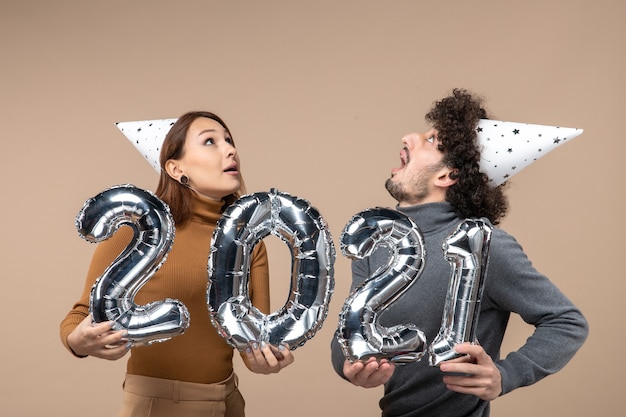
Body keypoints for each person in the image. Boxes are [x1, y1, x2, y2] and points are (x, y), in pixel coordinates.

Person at [330, 89, 588, 416]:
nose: (408, 137)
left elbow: (567, 321)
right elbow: (347, 332)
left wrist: (507, 375)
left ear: (448, 175)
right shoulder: (377, 242)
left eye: (431, 140)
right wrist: (349, 364)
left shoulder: (483, 247)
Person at [60, 111, 294, 417]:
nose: (230, 149)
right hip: (158, 404)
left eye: (229, 140)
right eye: (210, 141)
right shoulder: (136, 232)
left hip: (229, 401)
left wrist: (267, 359)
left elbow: (252, 343)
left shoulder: (249, 243)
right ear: (175, 168)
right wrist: (79, 342)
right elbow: (78, 317)